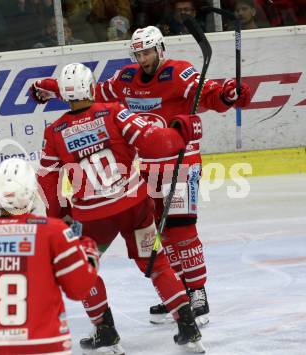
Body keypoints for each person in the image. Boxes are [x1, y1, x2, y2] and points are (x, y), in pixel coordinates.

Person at [30, 26, 252, 327]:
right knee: (157, 233)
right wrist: (51, 86)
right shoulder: (125, 79)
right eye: (138, 53)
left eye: (147, 51)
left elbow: (211, 95)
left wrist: (228, 93)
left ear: (160, 49)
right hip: (145, 168)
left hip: (181, 163)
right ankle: (177, 295)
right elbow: (89, 92)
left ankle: (197, 292)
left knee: (180, 228)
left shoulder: (180, 73)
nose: (143, 57)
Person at [38, 62, 205, 354]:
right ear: (91, 88)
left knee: (83, 270)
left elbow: (47, 181)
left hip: (92, 216)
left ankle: (105, 331)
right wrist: (181, 131)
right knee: (157, 264)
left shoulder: (54, 131)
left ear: (65, 94)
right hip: (134, 206)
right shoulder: (114, 111)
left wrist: (58, 215)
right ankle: (188, 327)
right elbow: (154, 141)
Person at [0, 158, 99, 354]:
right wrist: (89, 250)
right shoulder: (53, 231)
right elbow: (79, 288)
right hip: (45, 345)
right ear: (32, 191)